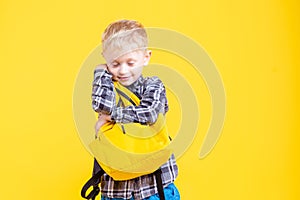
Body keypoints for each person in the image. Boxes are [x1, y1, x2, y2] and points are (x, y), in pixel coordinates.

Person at [91, 19, 180, 200]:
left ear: (145, 58)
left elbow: (149, 114)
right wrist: (101, 72)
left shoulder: (153, 85)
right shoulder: (108, 87)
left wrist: (113, 116)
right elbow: (101, 106)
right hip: (116, 190)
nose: (123, 70)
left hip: (154, 187)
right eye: (115, 64)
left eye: (130, 63)